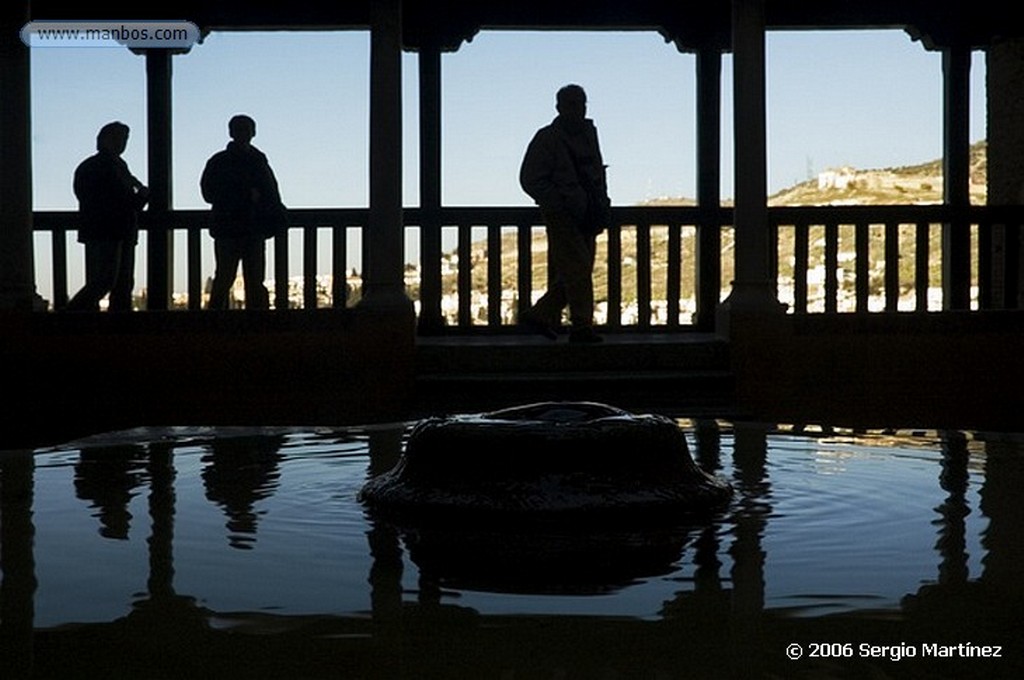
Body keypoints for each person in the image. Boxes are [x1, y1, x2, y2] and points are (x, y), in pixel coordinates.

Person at [519, 84, 610, 344]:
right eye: (572, 104)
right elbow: (529, 179)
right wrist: (558, 203)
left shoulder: (588, 136)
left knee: (576, 271)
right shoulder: (547, 138)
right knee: (579, 270)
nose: (577, 110)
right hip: (564, 217)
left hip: (587, 215)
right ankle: (581, 327)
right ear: (559, 107)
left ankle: (539, 314)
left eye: (580, 104)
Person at [201, 114, 287, 310]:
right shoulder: (258, 162)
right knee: (252, 278)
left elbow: (208, 193)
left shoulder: (219, 161)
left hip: (230, 227)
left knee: (225, 277)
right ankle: (257, 325)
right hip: (250, 227)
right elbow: (272, 193)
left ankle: (213, 322)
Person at [67, 122, 149, 311]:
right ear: (107, 140)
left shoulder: (92, 166)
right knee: (113, 281)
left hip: (104, 228)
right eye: (120, 138)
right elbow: (123, 200)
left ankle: (72, 317)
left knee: (110, 280)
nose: (123, 143)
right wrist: (141, 196)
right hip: (114, 229)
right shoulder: (114, 167)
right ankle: (71, 316)